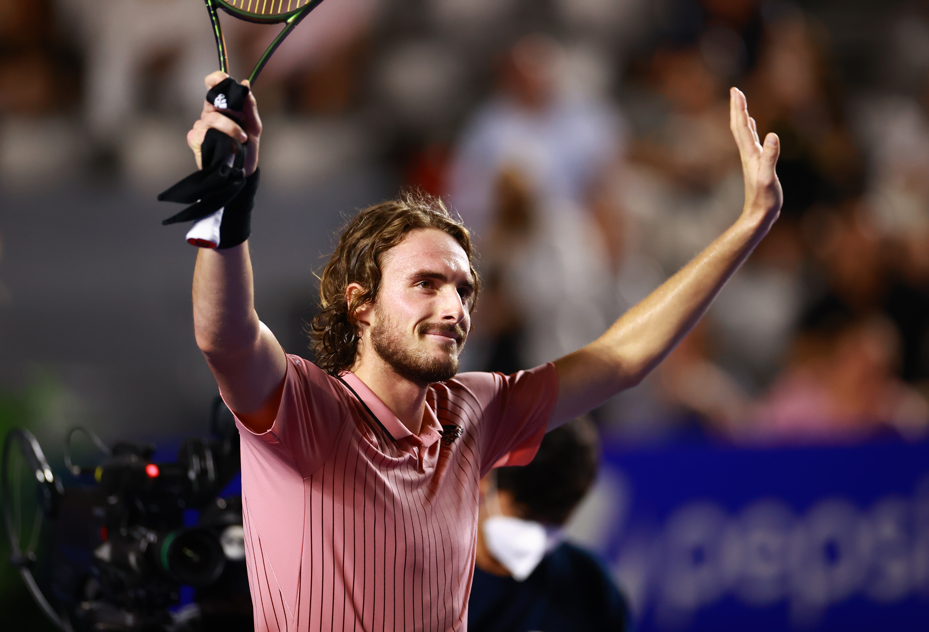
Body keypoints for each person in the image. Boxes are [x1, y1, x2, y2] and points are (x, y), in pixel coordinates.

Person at [181, 70, 782, 630]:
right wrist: (228, 209)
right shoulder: (306, 409)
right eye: (426, 284)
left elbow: (621, 360)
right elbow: (225, 335)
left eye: (464, 289)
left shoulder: (472, 410)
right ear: (359, 303)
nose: (454, 308)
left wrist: (749, 224)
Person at [469, 419, 631, 632]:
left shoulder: (593, 590)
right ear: (485, 477)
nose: (535, 535)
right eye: (523, 517)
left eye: (554, 522)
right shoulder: (424, 578)